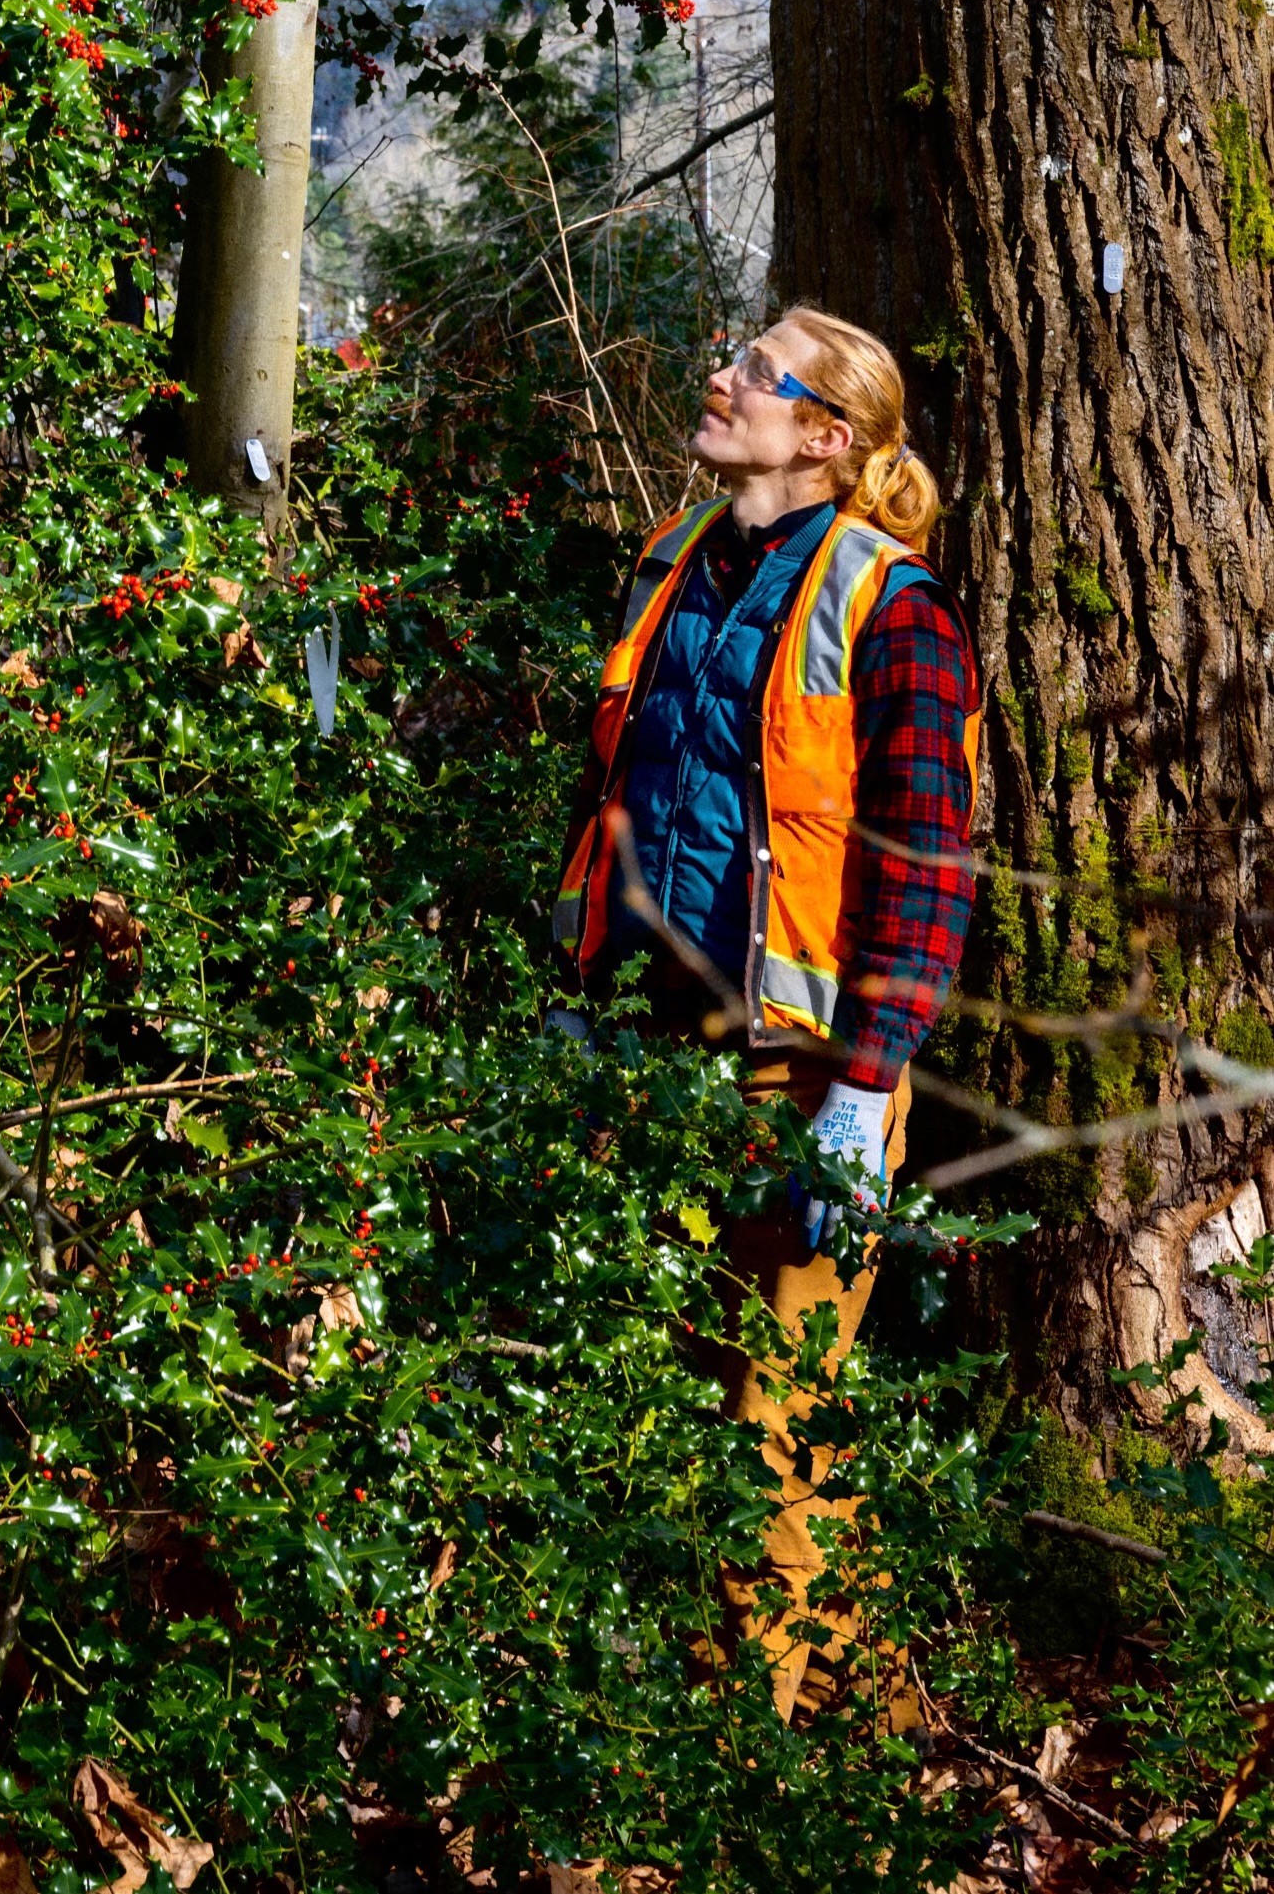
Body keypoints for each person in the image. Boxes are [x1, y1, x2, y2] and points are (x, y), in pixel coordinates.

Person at [551, 304, 981, 1723]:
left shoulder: (893, 606)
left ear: (823, 436)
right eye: (733, 348)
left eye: (755, 368)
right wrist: (583, 990)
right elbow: (613, 788)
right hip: (658, 1048)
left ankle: (721, 1783)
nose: (721, 372)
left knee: (764, 1428)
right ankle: (876, 1729)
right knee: (710, 1405)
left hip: (799, 1082)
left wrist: (868, 1089)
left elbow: (925, 869)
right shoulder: (670, 562)